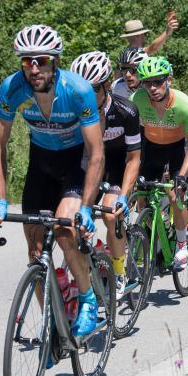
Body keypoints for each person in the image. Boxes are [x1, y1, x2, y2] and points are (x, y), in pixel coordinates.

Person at [0, 24, 104, 336]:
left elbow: (96, 153)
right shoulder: (12, 89)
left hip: (76, 163)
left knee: (65, 229)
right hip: (41, 163)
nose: (34, 68)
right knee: (35, 251)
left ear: (54, 60)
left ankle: (88, 297)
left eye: (41, 59)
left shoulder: (78, 90)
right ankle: (52, 321)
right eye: (27, 61)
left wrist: (88, 208)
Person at [70, 51, 142, 299]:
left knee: (112, 215)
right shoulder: (74, 112)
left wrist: (124, 194)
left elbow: (134, 158)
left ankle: (120, 271)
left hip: (119, 164)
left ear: (107, 84)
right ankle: (88, 268)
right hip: (90, 166)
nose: (85, 98)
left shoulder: (127, 111)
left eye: (92, 91)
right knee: (73, 218)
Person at [132, 56, 188, 272]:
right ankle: (159, 238)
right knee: (143, 202)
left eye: (158, 81)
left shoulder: (185, 105)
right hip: (151, 150)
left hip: (176, 151)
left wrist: (183, 174)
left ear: (169, 79)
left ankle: (182, 242)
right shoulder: (137, 99)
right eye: (147, 82)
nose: (152, 87)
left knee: (175, 196)